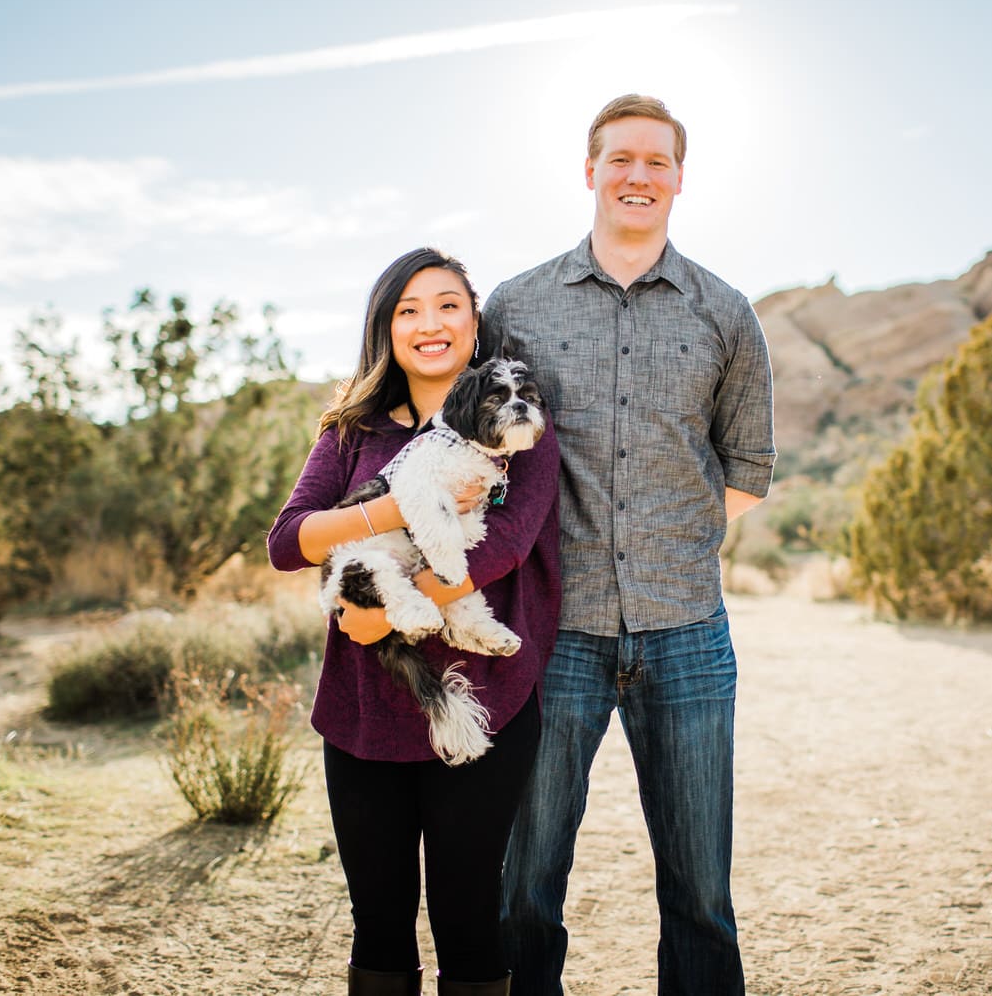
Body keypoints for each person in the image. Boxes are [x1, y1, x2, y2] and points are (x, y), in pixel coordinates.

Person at [482, 95, 775, 995]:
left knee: (699, 893)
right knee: (524, 886)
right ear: (589, 171)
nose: (638, 176)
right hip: (554, 634)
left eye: (657, 162)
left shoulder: (725, 313)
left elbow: (747, 466)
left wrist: (669, 544)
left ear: (680, 178)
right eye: (621, 159)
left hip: (686, 631)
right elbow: (484, 453)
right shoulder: (516, 305)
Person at [268, 247, 561, 996]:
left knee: (469, 916)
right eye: (409, 309)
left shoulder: (516, 422)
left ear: (474, 321)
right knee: (379, 921)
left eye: (447, 305)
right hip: (363, 710)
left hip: (486, 694)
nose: (430, 323)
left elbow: (502, 544)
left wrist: (395, 611)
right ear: (387, 328)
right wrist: (395, 509)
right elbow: (287, 540)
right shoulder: (351, 431)